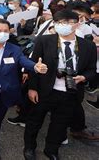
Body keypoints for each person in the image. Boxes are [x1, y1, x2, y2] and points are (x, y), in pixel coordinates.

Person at [23, 10, 97, 160]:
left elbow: (91, 70)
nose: (64, 25)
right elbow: (34, 65)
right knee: (34, 121)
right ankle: (29, 147)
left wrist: (83, 77)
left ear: (77, 24)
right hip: (44, 90)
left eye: (68, 22)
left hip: (70, 92)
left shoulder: (88, 46)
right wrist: (32, 88)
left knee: (59, 124)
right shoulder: (44, 41)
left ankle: (51, 149)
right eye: (60, 22)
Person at [0, 18, 48, 159]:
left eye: (6, 31)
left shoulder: (15, 49)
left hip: (6, 92)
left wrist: (35, 67)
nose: (3, 33)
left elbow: (24, 61)